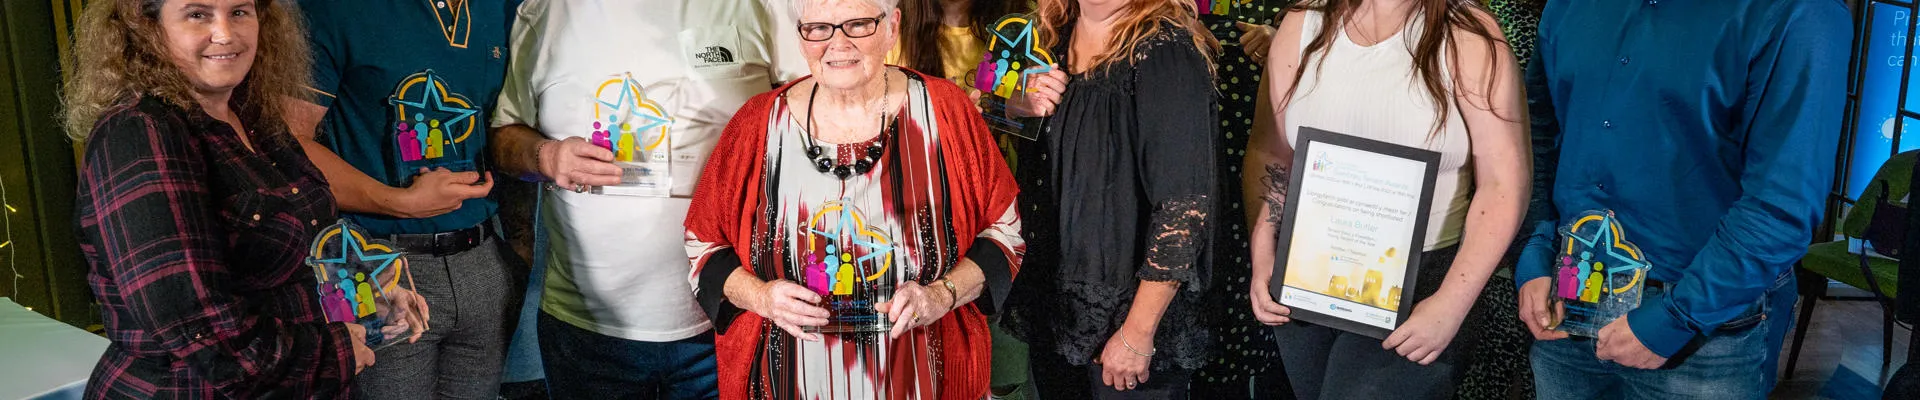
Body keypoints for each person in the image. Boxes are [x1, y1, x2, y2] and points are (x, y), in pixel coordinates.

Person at [63, 0, 420, 397]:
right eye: (197, 14)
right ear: (146, 27)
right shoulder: (140, 132)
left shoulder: (250, 114)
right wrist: (330, 354)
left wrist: (363, 292)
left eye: (239, 12)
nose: (225, 33)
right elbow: (194, 320)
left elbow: (299, 253)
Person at [683, 0, 1025, 398]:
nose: (838, 43)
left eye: (858, 24)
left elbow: (1006, 232)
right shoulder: (757, 123)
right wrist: (761, 297)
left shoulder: (946, 111)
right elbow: (703, 244)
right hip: (784, 381)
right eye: (818, 28)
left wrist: (940, 296)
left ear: (892, 27)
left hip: (927, 379)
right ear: (801, 36)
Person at [1515, 1, 1848, 399]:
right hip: (1568, 295)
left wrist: (1676, 318)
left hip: (1704, 328)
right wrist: (1535, 251)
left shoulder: (1799, 12)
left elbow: (1783, 202)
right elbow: (1539, 133)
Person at [485, 0, 804, 398]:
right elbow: (503, 136)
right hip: (587, 327)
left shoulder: (760, 6)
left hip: (726, 316)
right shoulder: (547, 12)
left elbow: (819, 107)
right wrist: (545, 156)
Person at [1247, 0, 1529, 399]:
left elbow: (1505, 183)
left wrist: (1451, 302)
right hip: (1306, 279)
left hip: (1423, 284)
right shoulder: (1303, 23)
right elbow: (1270, 150)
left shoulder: (1466, 33)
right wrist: (1264, 254)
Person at [286, 0, 522, 398]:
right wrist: (398, 201)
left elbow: (507, 124)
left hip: (483, 259)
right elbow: (286, 142)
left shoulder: (500, 9)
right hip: (380, 267)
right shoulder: (330, 10)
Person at [997, 0, 1221, 398]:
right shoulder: (1049, 35)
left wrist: (1137, 333)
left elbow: (1183, 210)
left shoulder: (1164, 49)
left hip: (1126, 322)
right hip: (1056, 307)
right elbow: (995, 121)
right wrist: (1016, 106)